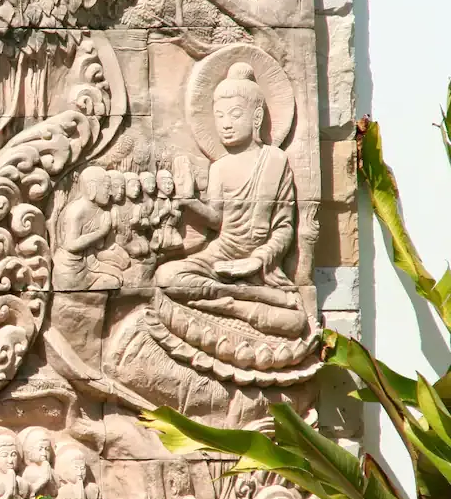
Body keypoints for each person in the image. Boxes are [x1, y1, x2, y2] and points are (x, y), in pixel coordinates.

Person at [154, 63, 306, 337]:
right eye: (219, 115)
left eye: (235, 115)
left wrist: (257, 260)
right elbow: (216, 220)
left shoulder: (275, 161)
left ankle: (243, 297)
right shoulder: (219, 167)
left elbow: (284, 228)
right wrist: (190, 202)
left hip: (260, 263)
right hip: (221, 254)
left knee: (296, 324)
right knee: (166, 278)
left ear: (257, 117)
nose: (225, 124)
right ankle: (243, 296)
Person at [51, 166, 125, 291]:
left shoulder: (100, 211)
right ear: (92, 188)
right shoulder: (76, 211)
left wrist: (110, 227)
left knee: (117, 278)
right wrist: (101, 231)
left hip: (89, 264)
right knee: (112, 283)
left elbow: (100, 246)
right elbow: (71, 245)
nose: (110, 193)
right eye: (107, 187)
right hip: (69, 269)